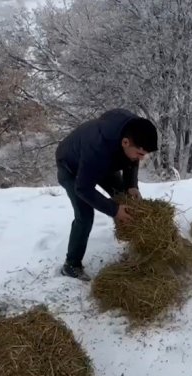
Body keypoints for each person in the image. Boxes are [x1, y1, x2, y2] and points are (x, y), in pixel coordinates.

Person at [55, 108, 158, 281]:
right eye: (140, 154)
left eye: (144, 155)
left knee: (123, 194)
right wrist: (114, 210)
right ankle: (71, 265)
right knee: (85, 215)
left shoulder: (132, 127)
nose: (141, 158)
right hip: (72, 169)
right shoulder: (97, 147)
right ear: (125, 142)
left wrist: (131, 185)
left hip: (105, 160)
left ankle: (136, 242)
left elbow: (133, 158)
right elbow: (83, 188)